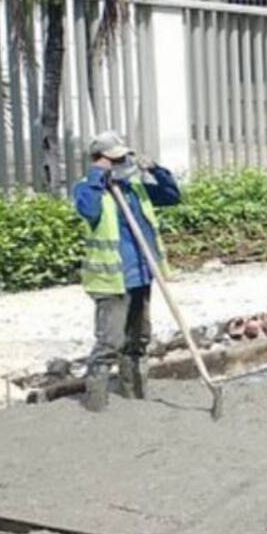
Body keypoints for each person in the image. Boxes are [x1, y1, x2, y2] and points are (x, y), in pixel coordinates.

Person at [72, 131, 181, 412]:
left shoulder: (135, 188)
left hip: (142, 275)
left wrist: (155, 169)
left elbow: (171, 196)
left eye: (125, 157)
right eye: (116, 159)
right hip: (112, 281)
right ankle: (96, 404)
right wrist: (98, 176)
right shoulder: (87, 189)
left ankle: (136, 396)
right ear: (100, 160)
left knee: (139, 340)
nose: (124, 162)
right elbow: (88, 210)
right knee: (110, 342)